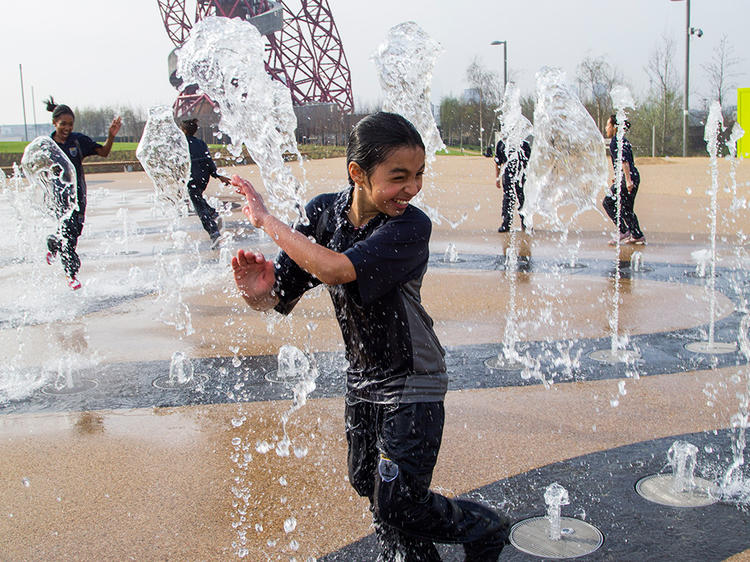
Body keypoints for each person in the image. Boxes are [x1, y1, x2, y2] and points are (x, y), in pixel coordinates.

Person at [231, 112, 511, 561]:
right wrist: (255, 291)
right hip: (363, 379)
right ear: (357, 174)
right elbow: (278, 295)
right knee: (370, 484)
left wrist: (268, 222)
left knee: (397, 498)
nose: (413, 188)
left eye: (418, 175)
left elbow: (336, 270)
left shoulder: (408, 227)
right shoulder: (324, 213)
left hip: (412, 380)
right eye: (398, 177)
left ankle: (483, 527)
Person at [44, 97, 121, 290]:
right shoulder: (47, 146)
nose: (67, 128)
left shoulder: (77, 141)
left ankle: (53, 244)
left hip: (78, 196)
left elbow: (103, 152)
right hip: (59, 198)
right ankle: (71, 275)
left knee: (73, 233)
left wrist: (111, 136)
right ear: (55, 123)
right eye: (63, 124)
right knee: (68, 235)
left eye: (70, 124)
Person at [180, 118, 231, 247]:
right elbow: (209, 161)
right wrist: (218, 176)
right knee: (198, 199)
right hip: (203, 178)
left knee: (199, 208)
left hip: (191, 178)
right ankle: (213, 213)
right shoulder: (201, 143)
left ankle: (214, 232)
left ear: (184, 130)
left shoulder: (182, 144)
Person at [602, 114, 645, 245]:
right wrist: (618, 176)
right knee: (627, 208)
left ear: (614, 127)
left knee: (608, 202)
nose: (605, 128)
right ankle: (637, 235)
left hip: (628, 178)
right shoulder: (622, 140)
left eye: (608, 125)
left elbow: (624, 161)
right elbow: (624, 162)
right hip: (631, 176)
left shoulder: (616, 140)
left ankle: (623, 230)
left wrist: (627, 180)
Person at [494, 135, 531, 232]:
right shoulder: (502, 143)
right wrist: (497, 178)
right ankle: (506, 224)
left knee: (521, 199)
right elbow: (498, 162)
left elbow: (530, 161)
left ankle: (525, 223)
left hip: (521, 176)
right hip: (508, 176)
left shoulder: (523, 143)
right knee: (508, 200)